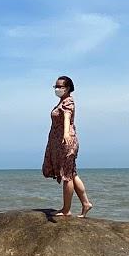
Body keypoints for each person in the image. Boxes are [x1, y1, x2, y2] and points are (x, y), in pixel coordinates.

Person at [42, 75, 92, 217]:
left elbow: (67, 118)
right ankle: (86, 203)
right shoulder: (61, 102)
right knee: (72, 174)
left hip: (66, 142)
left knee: (67, 176)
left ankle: (66, 209)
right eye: (55, 86)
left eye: (60, 86)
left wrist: (66, 134)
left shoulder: (68, 102)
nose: (57, 89)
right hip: (59, 143)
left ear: (68, 88)